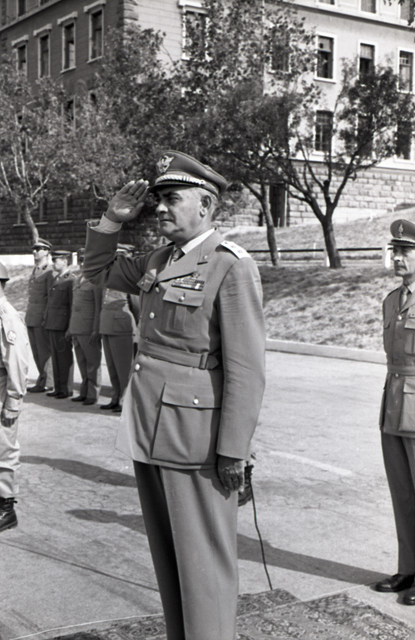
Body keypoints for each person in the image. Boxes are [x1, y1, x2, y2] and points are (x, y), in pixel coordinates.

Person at [83, 150, 266, 640]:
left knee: (204, 565)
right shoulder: (160, 259)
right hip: (151, 427)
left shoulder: (230, 265)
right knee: (170, 559)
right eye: (158, 198)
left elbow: (247, 368)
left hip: (196, 437)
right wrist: (111, 221)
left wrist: (234, 449)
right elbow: (98, 271)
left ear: (205, 205)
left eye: (172, 198)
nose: (160, 207)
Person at [375, 219, 415, 605]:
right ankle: (408, 568)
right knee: (402, 492)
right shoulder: (391, 300)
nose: (398, 257)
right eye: (396, 251)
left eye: (405, 251)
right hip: (394, 403)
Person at [0, 258, 29, 534]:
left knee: (2, 449)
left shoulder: (6, 316)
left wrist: (13, 402)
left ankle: (6, 508)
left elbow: (16, 362)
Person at [99, 244, 138, 414]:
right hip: (107, 326)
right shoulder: (108, 278)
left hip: (122, 328)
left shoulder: (130, 279)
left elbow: (137, 307)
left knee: (124, 368)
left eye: (119, 257)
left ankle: (125, 400)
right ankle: (115, 397)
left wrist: (138, 329)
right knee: (112, 366)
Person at [68, 248, 103, 406]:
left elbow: (98, 307)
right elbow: (73, 306)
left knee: (92, 363)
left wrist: (96, 329)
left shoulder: (96, 281)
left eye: (86, 260)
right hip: (77, 328)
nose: (83, 263)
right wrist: (71, 328)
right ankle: (84, 391)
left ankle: (93, 393)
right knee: (82, 362)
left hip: (89, 329)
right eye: (81, 260)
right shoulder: (77, 280)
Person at [44, 250, 75, 399]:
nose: (53, 263)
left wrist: (70, 326)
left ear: (65, 261)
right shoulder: (56, 279)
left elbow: (72, 305)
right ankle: (58, 387)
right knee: (56, 358)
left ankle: (66, 389)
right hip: (53, 323)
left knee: (64, 357)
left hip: (62, 325)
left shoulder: (71, 280)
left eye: (56, 260)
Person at [25, 238, 54, 393]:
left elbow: (50, 297)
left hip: (41, 317)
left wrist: (46, 316)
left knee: (44, 350)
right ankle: (42, 379)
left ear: (47, 251)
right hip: (32, 316)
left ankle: (49, 381)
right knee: (36, 351)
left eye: (39, 249)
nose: (35, 252)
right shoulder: (35, 270)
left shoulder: (49, 271)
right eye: (34, 249)